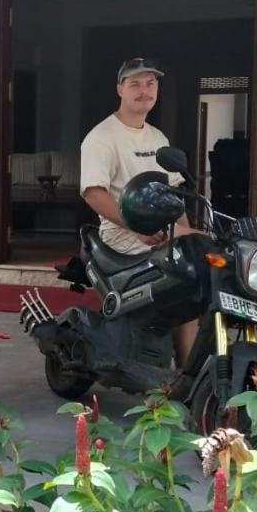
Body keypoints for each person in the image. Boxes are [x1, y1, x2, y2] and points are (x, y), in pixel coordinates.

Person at [80, 57, 196, 367]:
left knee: (203, 253)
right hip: (122, 232)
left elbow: (174, 196)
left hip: (160, 229)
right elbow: (93, 192)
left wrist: (188, 233)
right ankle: (185, 368)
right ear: (120, 89)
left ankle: (189, 368)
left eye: (150, 84)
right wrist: (136, 227)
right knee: (189, 271)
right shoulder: (102, 137)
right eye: (135, 84)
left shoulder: (157, 138)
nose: (144, 91)